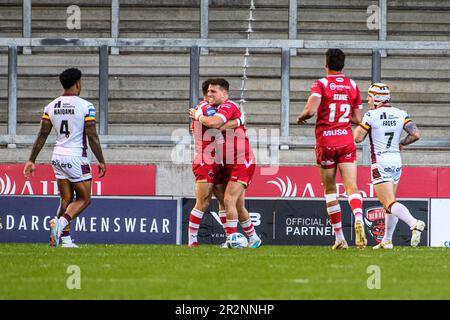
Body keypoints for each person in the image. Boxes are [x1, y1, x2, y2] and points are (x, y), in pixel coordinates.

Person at [23, 68, 106, 248]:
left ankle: (66, 240)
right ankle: (59, 224)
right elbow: (92, 136)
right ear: (78, 83)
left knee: (66, 200)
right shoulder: (86, 106)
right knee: (84, 199)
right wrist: (101, 160)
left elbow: (42, 134)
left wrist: (31, 160)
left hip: (58, 158)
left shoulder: (51, 106)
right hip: (76, 158)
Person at [296, 49, 367, 250]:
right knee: (352, 187)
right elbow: (358, 119)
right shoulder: (353, 85)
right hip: (346, 141)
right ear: (343, 65)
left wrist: (301, 117)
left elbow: (311, 110)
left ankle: (339, 238)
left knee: (330, 189)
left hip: (326, 142)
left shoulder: (321, 84)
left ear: (326, 64)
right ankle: (359, 218)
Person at [189, 78, 262, 248]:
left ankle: (231, 240)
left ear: (224, 93)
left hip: (241, 160)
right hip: (217, 161)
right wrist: (239, 121)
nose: (209, 95)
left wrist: (199, 117)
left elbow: (216, 123)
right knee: (231, 203)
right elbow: (217, 125)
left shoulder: (227, 106)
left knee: (228, 200)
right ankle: (254, 238)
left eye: (213, 92)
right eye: (207, 92)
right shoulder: (206, 107)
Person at [354, 83, 425, 249]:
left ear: (377, 98)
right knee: (389, 203)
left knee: (388, 203)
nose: (367, 100)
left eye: (369, 97)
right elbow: (415, 134)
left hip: (380, 161)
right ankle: (386, 240)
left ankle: (414, 223)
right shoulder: (401, 113)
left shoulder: (371, 114)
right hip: (396, 161)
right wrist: (402, 143)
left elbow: (358, 138)